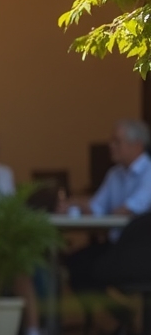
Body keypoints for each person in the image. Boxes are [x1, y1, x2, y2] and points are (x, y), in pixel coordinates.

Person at [59, 118, 151, 292]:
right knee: (76, 264)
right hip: (116, 247)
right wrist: (73, 204)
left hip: (141, 252)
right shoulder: (114, 174)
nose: (111, 146)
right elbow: (96, 208)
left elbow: (127, 210)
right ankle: (118, 314)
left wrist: (98, 210)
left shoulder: (150, 173)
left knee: (90, 267)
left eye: (117, 141)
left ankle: (121, 314)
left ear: (137, 146)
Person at [0, 122, 43, 335]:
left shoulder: (5, 173)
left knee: (23, 266)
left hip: (7, 239)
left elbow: (13, 209)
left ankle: (32, 330)